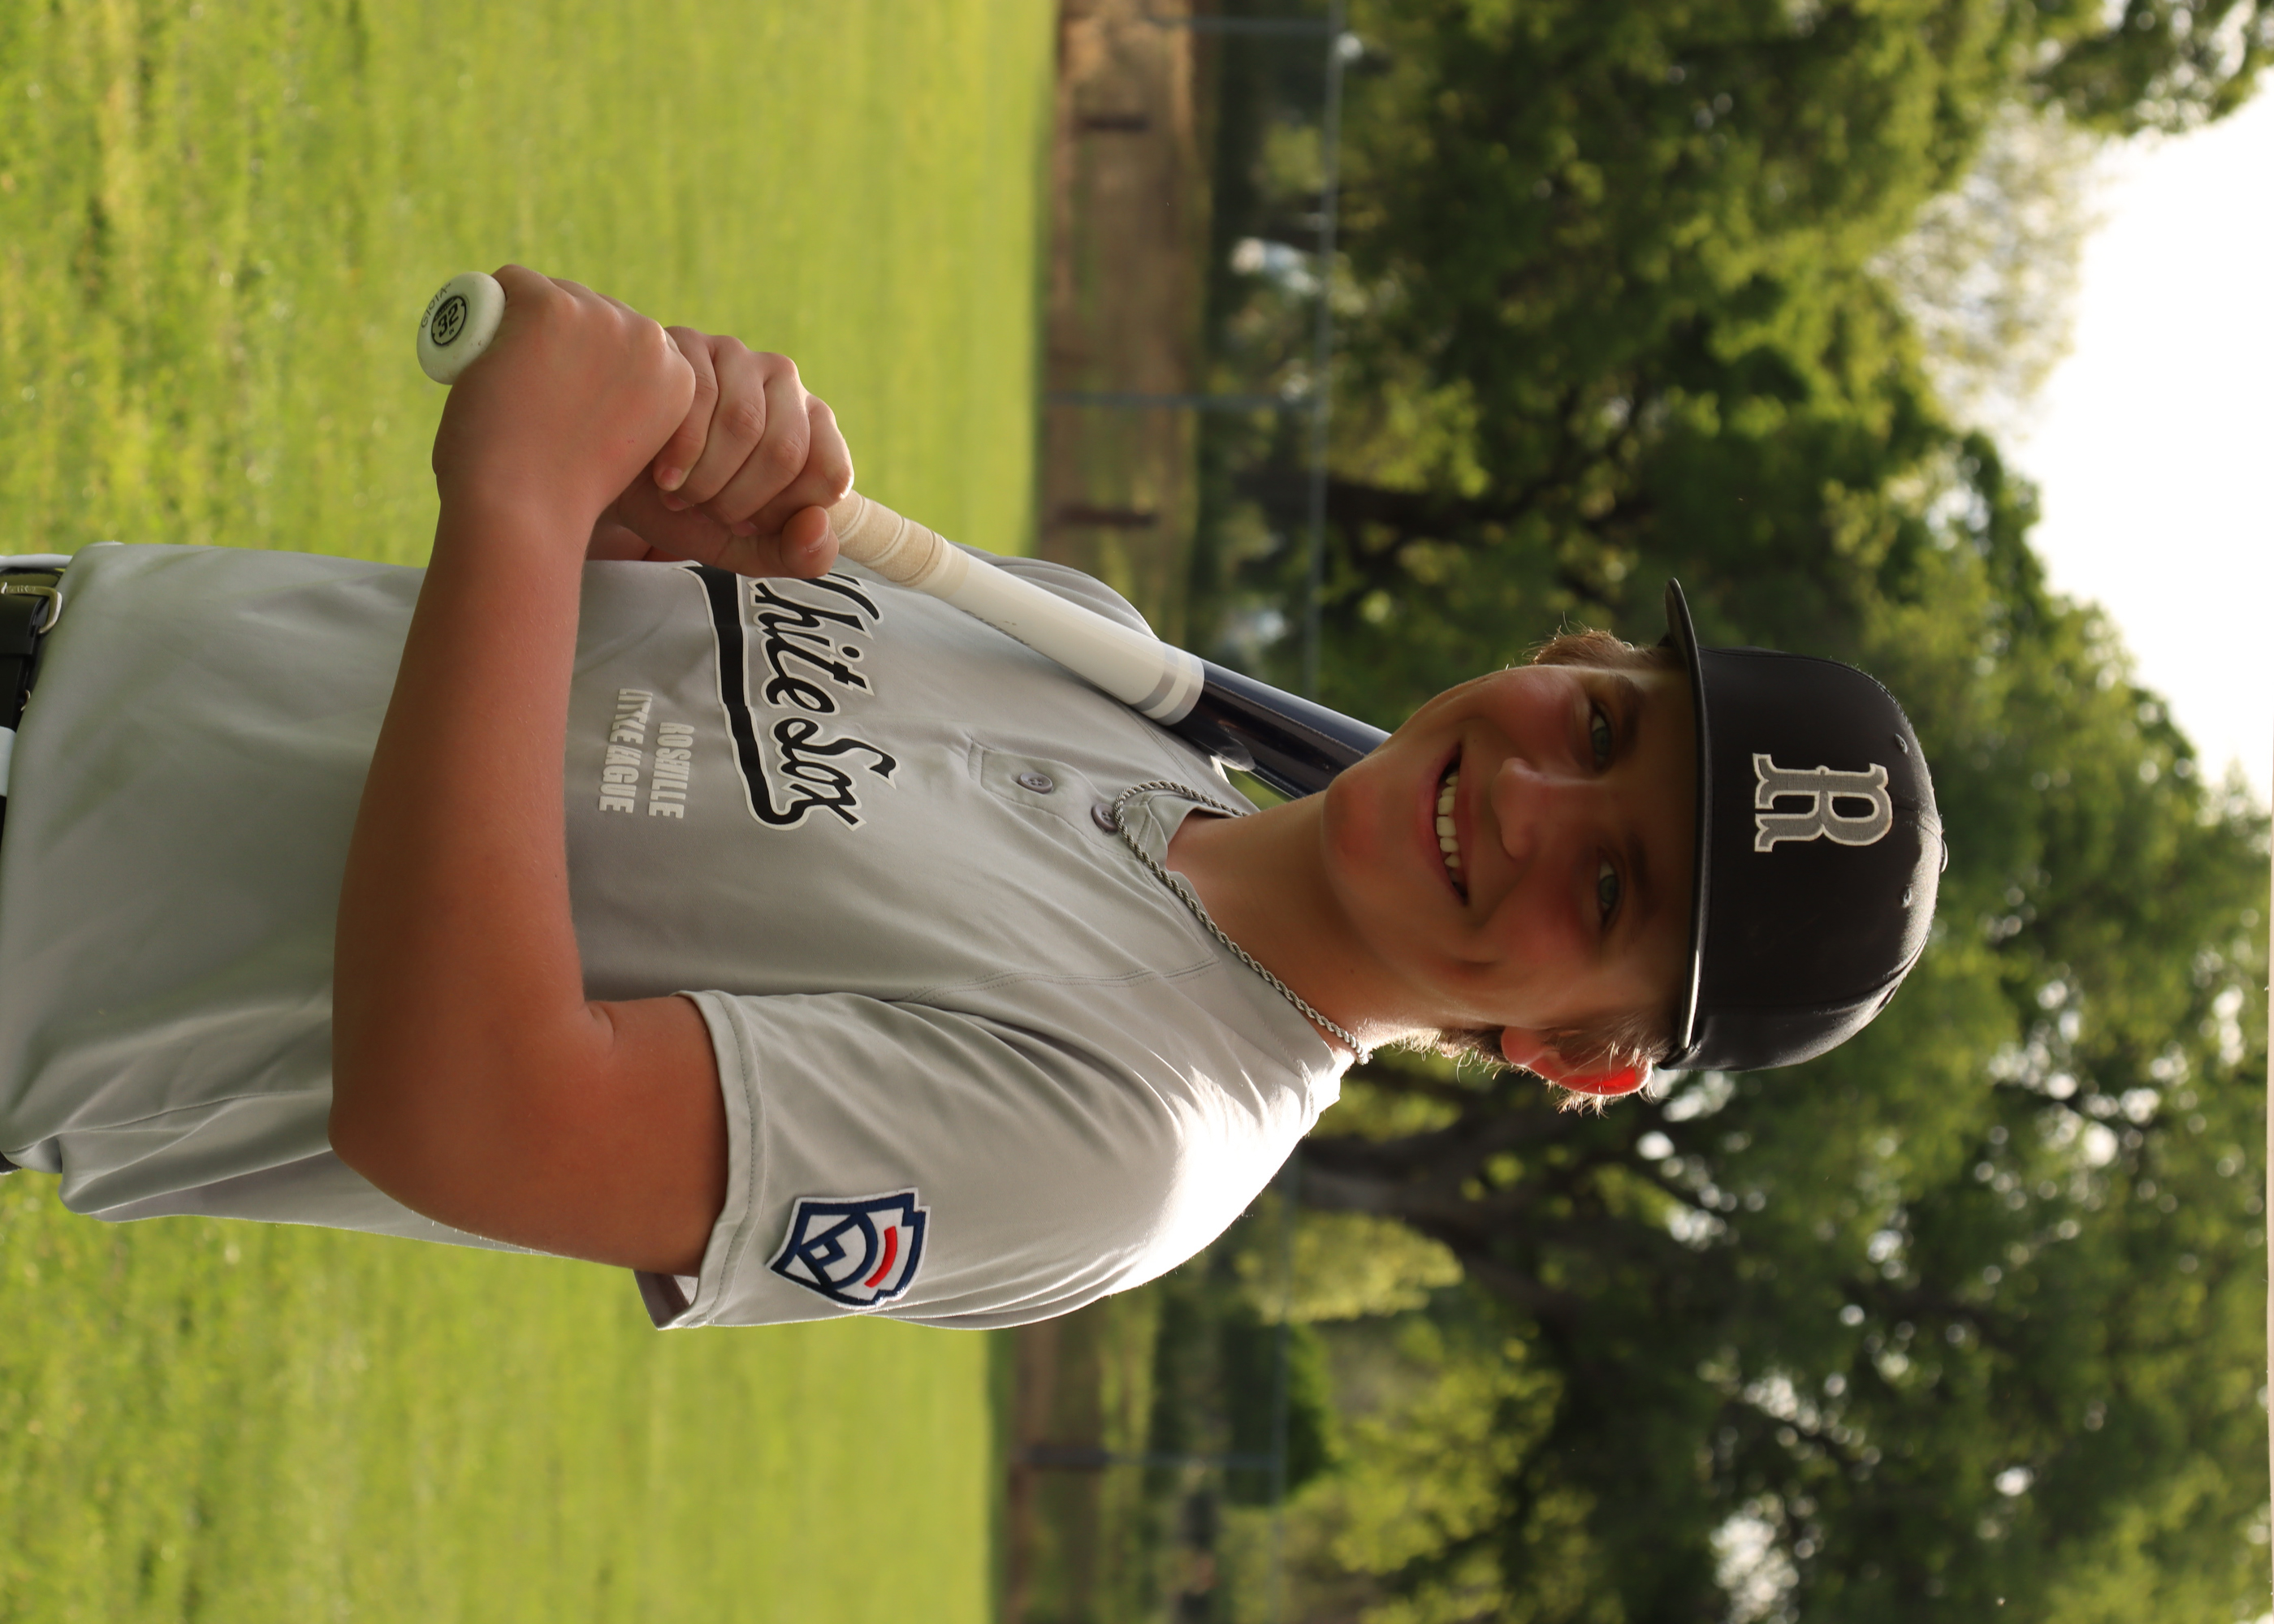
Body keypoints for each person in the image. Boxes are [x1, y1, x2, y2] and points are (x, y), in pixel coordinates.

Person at [0, 269, 1943, 1330]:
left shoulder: (1134, 1149)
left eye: (1608, 892)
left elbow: (470, 1115)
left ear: (1578, 1054)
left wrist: (514, 498)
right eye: (1597, 730)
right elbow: (569, 703)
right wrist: (640, 515)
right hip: (74, 630)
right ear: (1578, 653)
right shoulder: (1098, 651)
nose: (1527, 798)